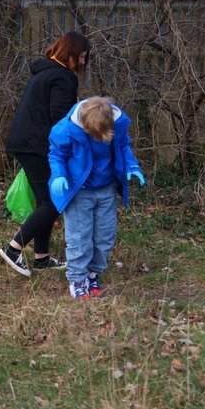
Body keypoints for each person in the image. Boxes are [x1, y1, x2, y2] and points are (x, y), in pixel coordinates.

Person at [0, 31, 91, 276]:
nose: (82, 62)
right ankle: (13, 248)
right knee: (53, 202)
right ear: (70, 52)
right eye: (80, 56)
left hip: (26, 142)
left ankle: (42, 257)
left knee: (45, 200)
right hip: (37, 146)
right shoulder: (62, 77)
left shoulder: (45, 71)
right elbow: (59, 120)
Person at [48, 96, 144, 299]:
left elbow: (124, 146)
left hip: (106, 190)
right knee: (79, 238)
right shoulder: (66, 129)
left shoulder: (116, 124)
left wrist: (132, 166)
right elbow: (56, 154)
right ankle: (77, 280)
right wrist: (59, 175)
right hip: (80, 190)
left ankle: (93, 275)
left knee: (105, 236)